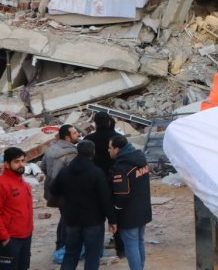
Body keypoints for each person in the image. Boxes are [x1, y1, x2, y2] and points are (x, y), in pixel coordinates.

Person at [51, 140, 117, 270]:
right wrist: (112, 219)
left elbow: (54, 190)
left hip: (71, 219)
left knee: (70, 254)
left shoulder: (65, 171)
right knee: (92, 256)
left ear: (77, 152)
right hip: (93, 221)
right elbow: (105, 198)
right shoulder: (96, 172)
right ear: (93, 153)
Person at [84, 112, 125, 258]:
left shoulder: (89, 139)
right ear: (109, 122)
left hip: (95, 182)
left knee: (97, 216)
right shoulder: (118, 138)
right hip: (116, 180)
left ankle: (96, 250)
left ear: (95, 123)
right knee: (117, 213)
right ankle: (121, 248)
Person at [109, 135, 152, 270]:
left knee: (131, 244)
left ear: (117, 148)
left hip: (129, 213)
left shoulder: (121, 167)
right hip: (143, 209)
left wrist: (116, 209)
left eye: (110, 148)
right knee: (139, 241)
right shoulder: (140, 160)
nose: (108, 150)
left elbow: (122, 195)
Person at [42, 124, 80, 254]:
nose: (78, 135)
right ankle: (63, 246)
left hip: (52, 190)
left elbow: (43, 167)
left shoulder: (51, 149)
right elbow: (74, 176)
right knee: (67, 219)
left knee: (64, 217)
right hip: (65, 193)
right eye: (74, 133)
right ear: (67, 138)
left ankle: (60, 244)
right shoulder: (72, 153)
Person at [0, 147, 32, 270]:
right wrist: (4, 237)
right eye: (17, 161)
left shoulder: (24, 184)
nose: (21, 164)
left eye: (22, 161)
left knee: (24, 267)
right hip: (10, 239)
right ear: (7, 164)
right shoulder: (2, 184)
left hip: (26, 236)